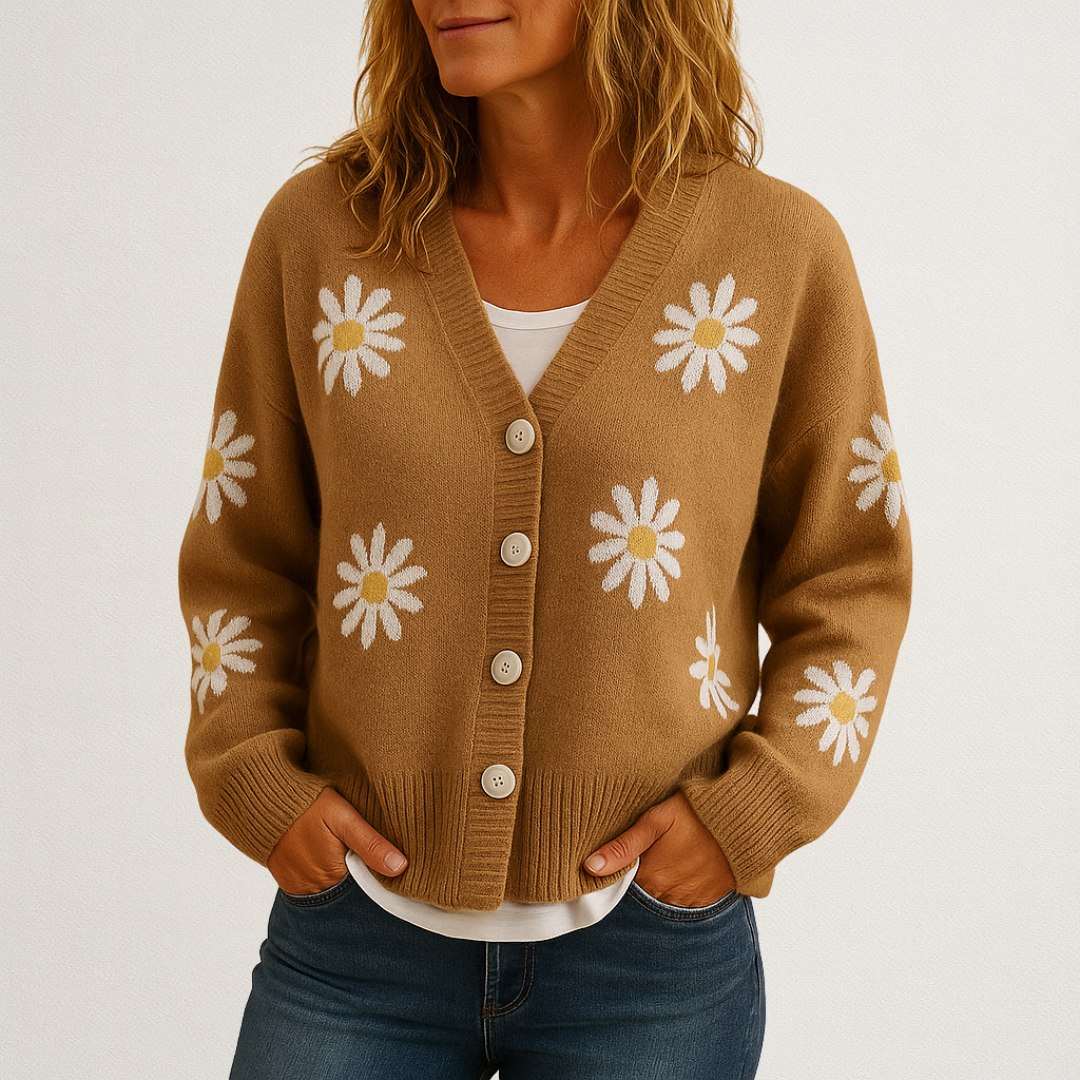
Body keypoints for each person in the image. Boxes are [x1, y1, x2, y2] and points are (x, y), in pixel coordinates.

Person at [179, 1, 912, 1076]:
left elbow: (852, 574)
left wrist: (755, 811)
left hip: (648, 966)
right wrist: (255, 777)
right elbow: (244, 555)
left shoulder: (774, 255)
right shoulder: (325, 234)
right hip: (353, 948)